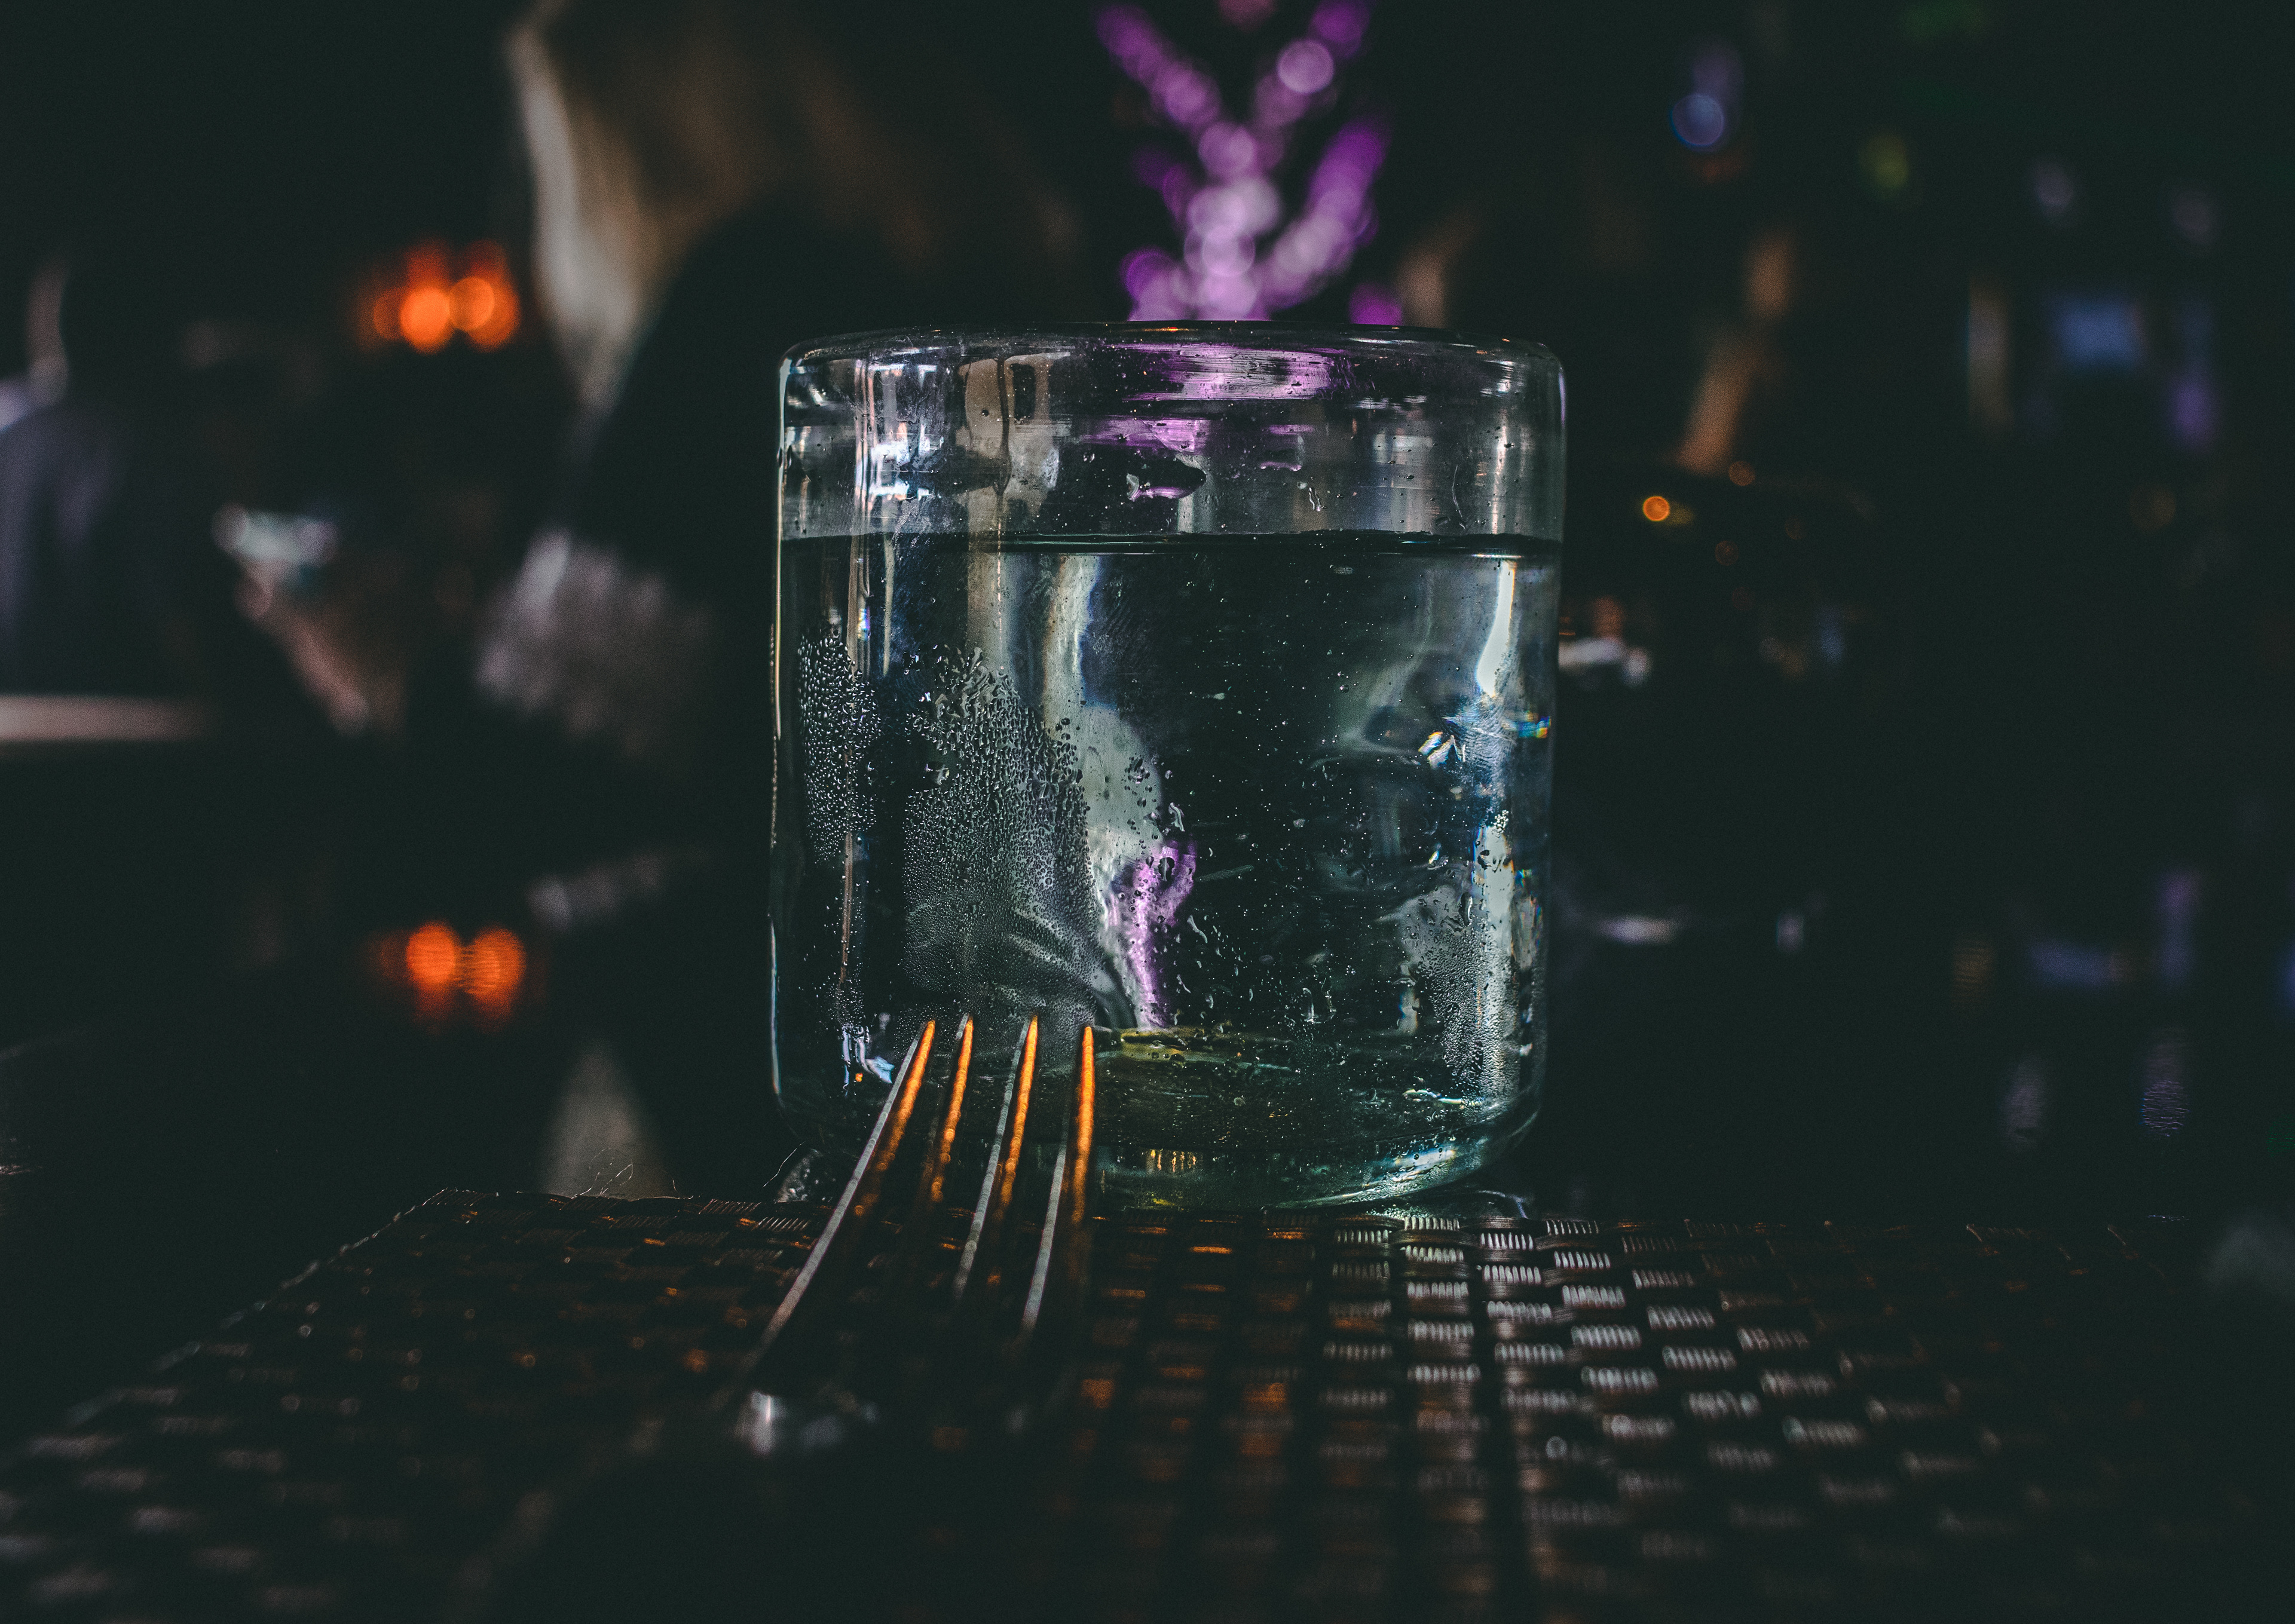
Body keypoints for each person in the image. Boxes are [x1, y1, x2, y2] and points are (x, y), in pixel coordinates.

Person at [238, 0, 1079, 1196]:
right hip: (1000, 1013)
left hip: (758, 1059)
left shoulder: (748, 302)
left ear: (636, 130)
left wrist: (379, 669)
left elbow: (547, 776)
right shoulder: (976, 287)